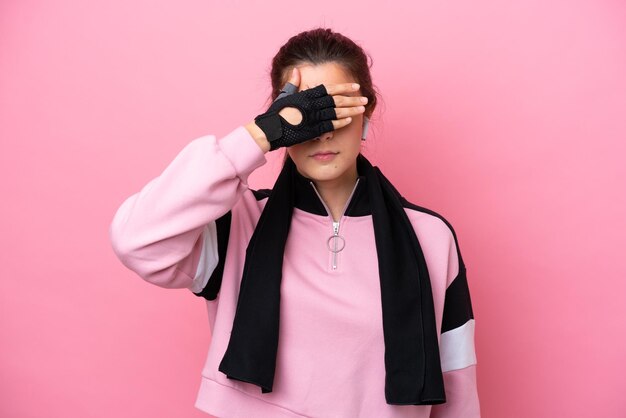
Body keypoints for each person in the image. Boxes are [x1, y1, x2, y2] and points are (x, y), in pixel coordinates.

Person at [109, 27, 481, 418]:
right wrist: (260, 135)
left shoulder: (431, 237)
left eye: (334, 109)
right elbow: (135, 240)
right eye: (305, 114)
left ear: (365, 113)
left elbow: (457, 388)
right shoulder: (236, 224)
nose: (321, 132)